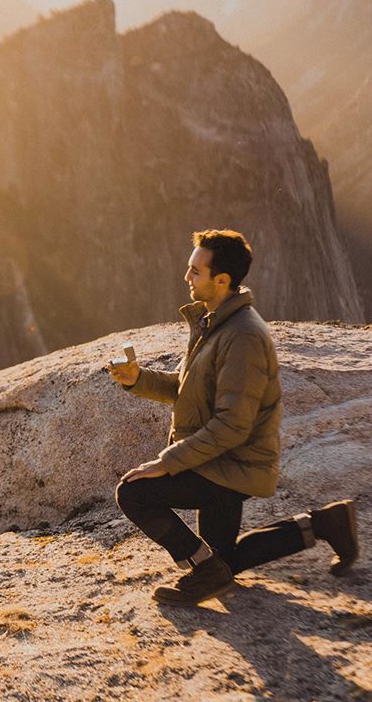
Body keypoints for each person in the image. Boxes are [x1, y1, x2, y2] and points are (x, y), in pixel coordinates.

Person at [109, 229, 358, 607]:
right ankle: (325, 524)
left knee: (134, 492)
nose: (187, 278)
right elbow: (187, 388)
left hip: (229, 464)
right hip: (217, 458)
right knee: (224, 560)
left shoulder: (242, 337)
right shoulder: (213, 323)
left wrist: (166, 463)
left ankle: (204, 571)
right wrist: (138, 379)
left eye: (195, 271)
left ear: (221, 280)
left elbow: (232, 426)